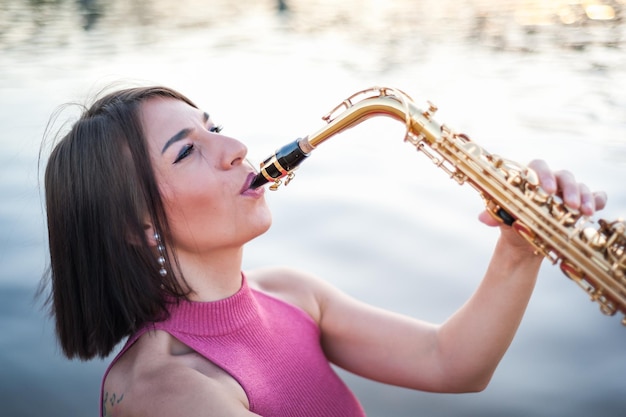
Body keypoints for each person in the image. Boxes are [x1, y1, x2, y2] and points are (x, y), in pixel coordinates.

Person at [41, 85, 607, 417]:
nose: (237, 149)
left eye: (215, 127)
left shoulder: (291, 291)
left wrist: (519, 244)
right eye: (187, 151)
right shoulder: (170, 394)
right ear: (136, 225)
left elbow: (452, 363)